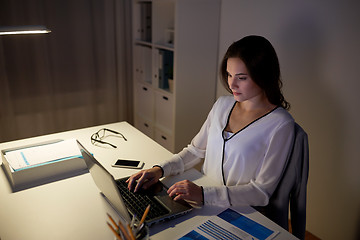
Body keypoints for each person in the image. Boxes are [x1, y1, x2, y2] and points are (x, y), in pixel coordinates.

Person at [127, 35, 295, 207]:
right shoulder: (223, 104)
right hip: (203, 201)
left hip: (239, 211)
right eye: (229, 75)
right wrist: (159, 170)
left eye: (241, 78)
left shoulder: (281, 125)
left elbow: (261, 192)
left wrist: (204, 194)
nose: (232, 84)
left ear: (263, 76)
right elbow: (194, 151)